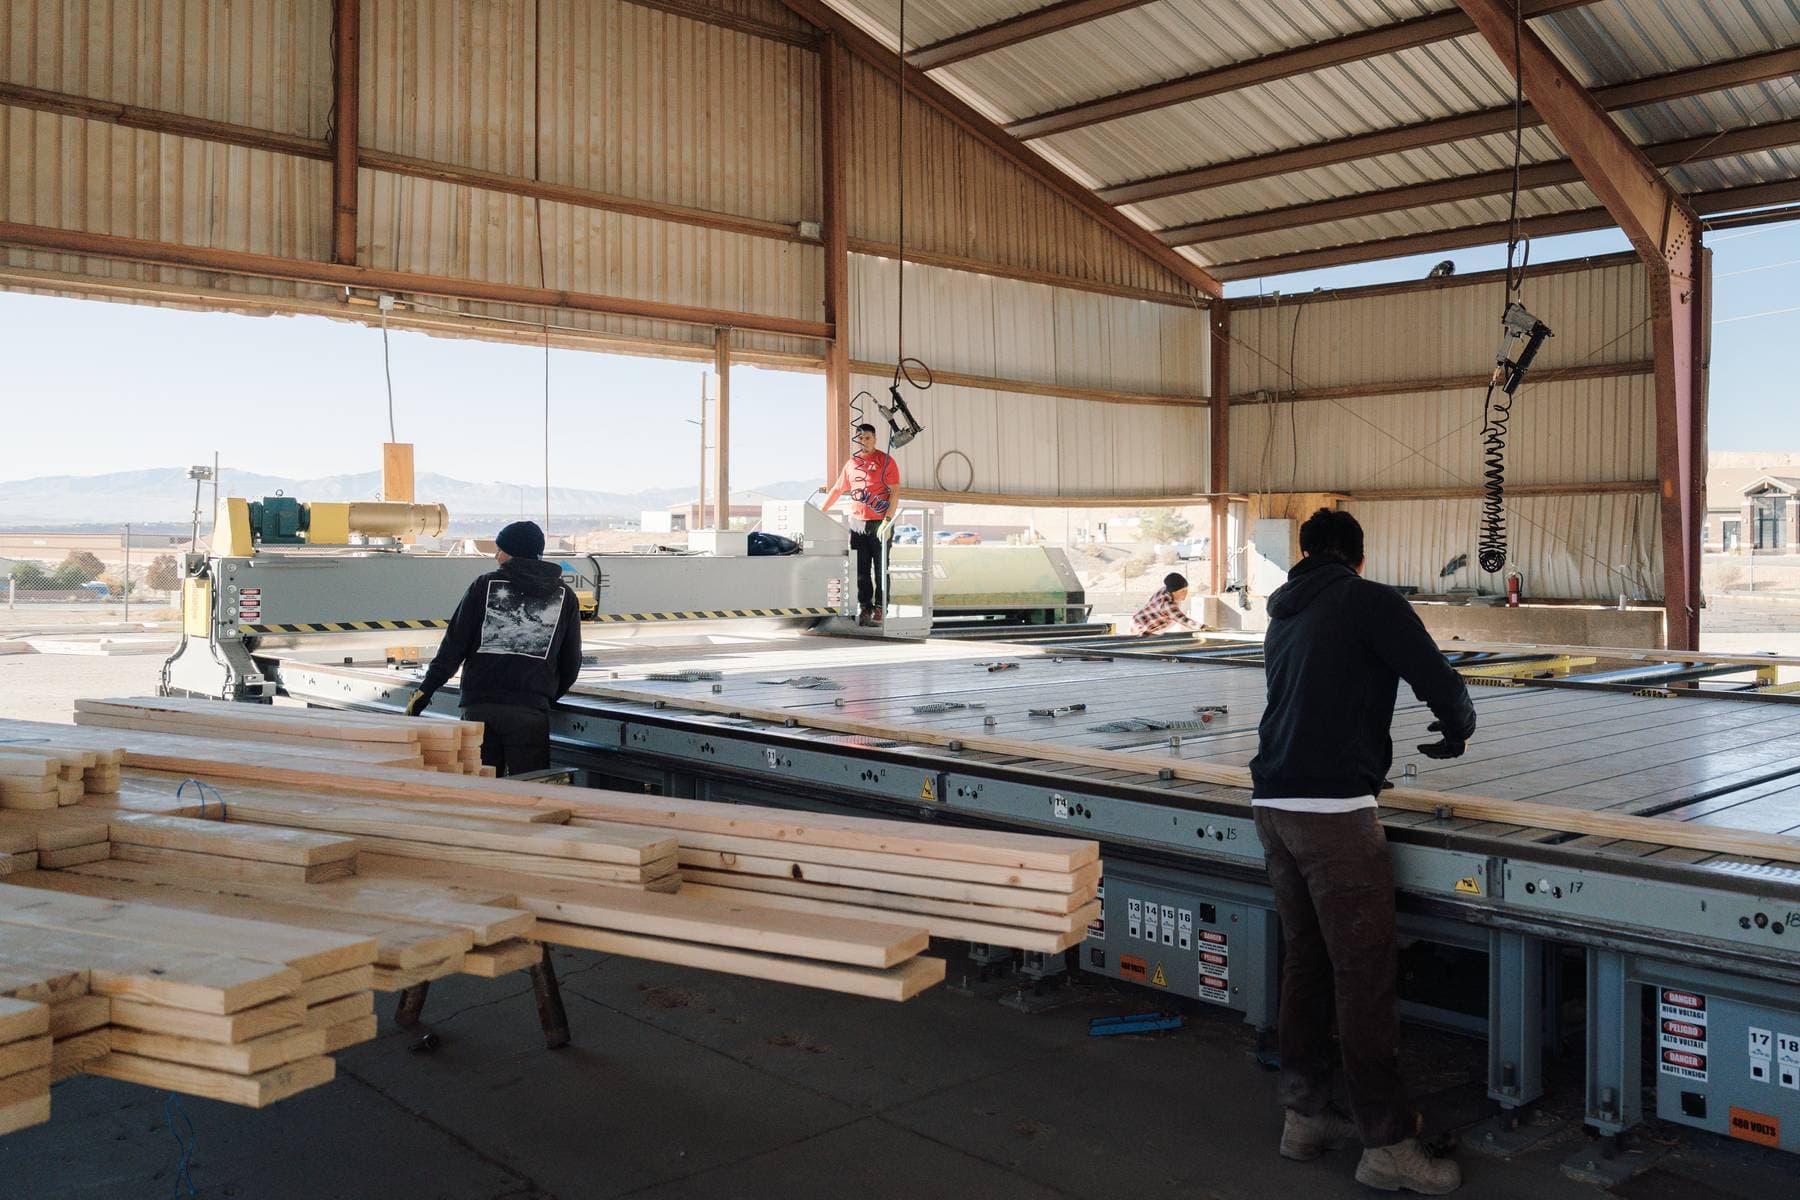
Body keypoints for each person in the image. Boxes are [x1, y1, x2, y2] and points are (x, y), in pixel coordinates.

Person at [1249, 508, 1476, 1195]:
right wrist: (1458, 723)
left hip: (1272, 804)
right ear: (1359, 558)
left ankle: (1305, 1117)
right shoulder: (1367, 599)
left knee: (1307, 964)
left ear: (1306, 553)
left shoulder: (1282, 611)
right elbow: (1432, 674)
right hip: (1333, 813)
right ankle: (1386, 1144)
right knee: (1365, 978)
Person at [407, 520, 582, 777]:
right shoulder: (565, 596)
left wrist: (426, 689)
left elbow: (453, 646)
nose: (496, 556)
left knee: (482, 792)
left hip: (480, 707)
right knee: (530, 792)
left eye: (500, 550)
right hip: (530, 714)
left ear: (513, 553)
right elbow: (571, 662)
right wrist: (542, 697)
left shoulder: (484, 585)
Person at [819, 423, 900, 627]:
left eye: (868, 438)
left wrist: (888, 520)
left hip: (879, 523)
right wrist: (820, 512)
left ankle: (881, 608)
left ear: (875, 439)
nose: (864, 442)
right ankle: (865, 607)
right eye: (860, 438)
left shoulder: (885, 461)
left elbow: (895, 492)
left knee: (881, 569)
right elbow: (837, 489)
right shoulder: (852, 463)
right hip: (857, 524)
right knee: (861, 570)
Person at [1131, 572, 1202, 636]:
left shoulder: (1165, 590)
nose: (1186, 593)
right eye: (1182, 590)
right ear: (1174, 592)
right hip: (1142, 627)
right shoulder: (1167, 604)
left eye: (1186, 589)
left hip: (1140, 620)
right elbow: (1184, 620)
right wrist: (1202, 627)